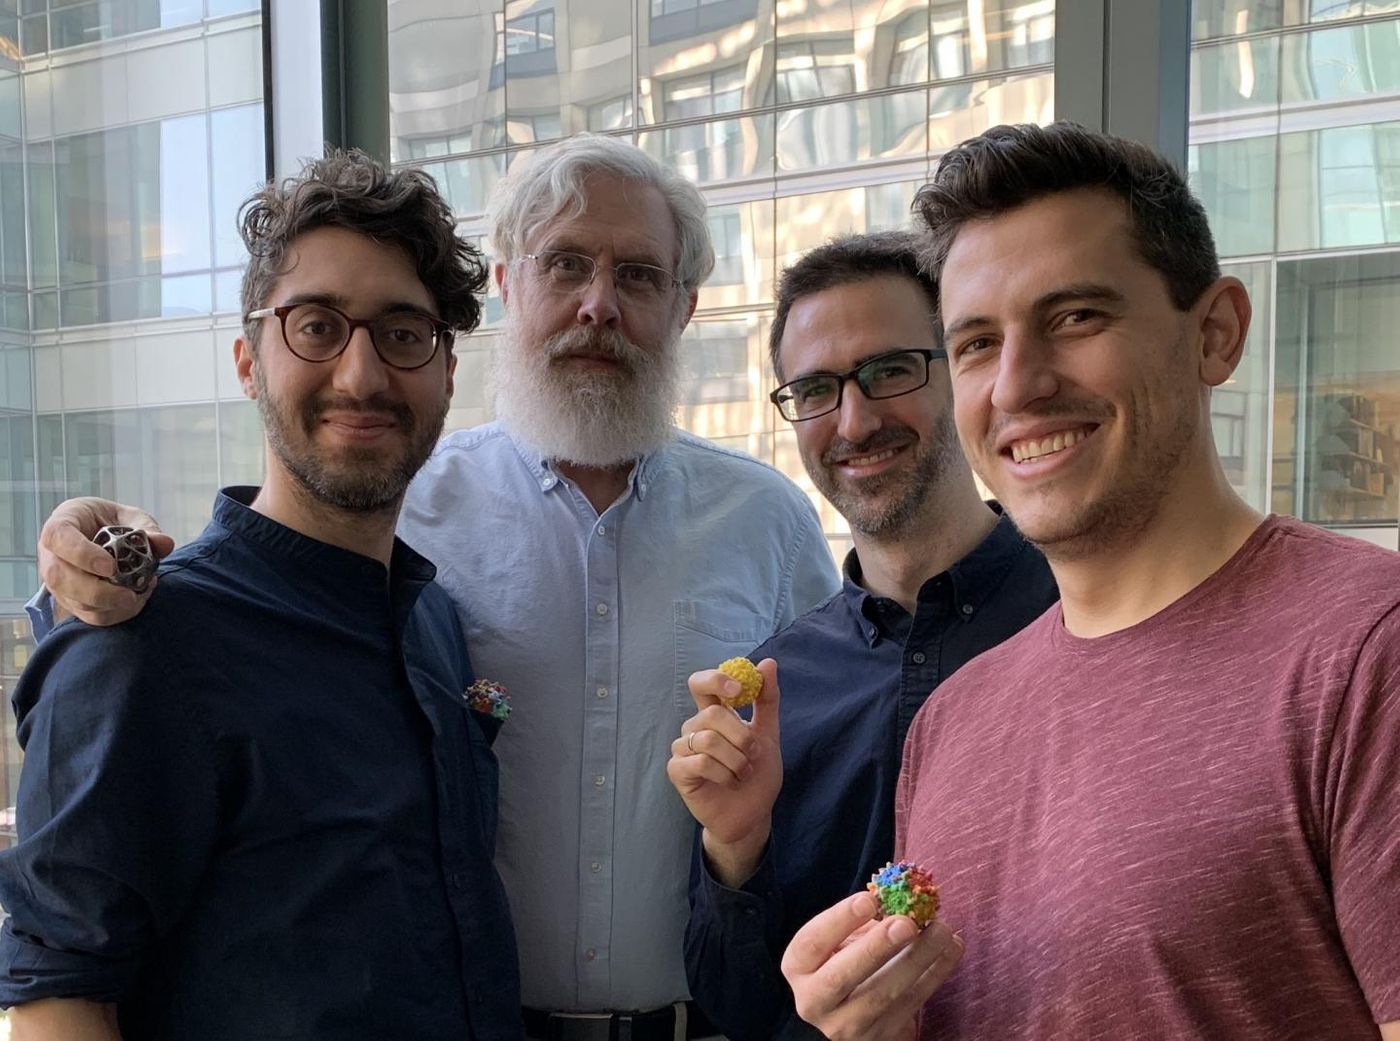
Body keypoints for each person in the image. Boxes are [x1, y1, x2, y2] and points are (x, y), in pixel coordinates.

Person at [29, 134, 839, 1040]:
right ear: (507, 284)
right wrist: (93, 563)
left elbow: (824, 777)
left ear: (685, 308)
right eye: (565, 263)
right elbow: (229, 609)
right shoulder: (403, 505)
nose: (598, 305)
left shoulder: (768, 522)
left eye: (639, 276)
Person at [781, 121, 1400, 1041]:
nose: (1018, 385)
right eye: (979, 343)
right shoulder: (955, 721)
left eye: (1075, 317)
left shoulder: (1366, 652)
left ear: (1216, 334)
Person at [0, 153, 522, 1039]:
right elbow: (57, 1000)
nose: (360, 376)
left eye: (402, 333)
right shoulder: (137, 641)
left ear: (444, 372)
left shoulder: (430, 620)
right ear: (249, 361)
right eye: (316, 326)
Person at [665, 231, 1056, 1040]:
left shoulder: (1082, 613)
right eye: (813, 388)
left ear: (961, 369)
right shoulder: (782, 686)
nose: (854, 419)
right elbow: (736, 1006)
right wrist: (735, 845)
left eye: (888, 371)